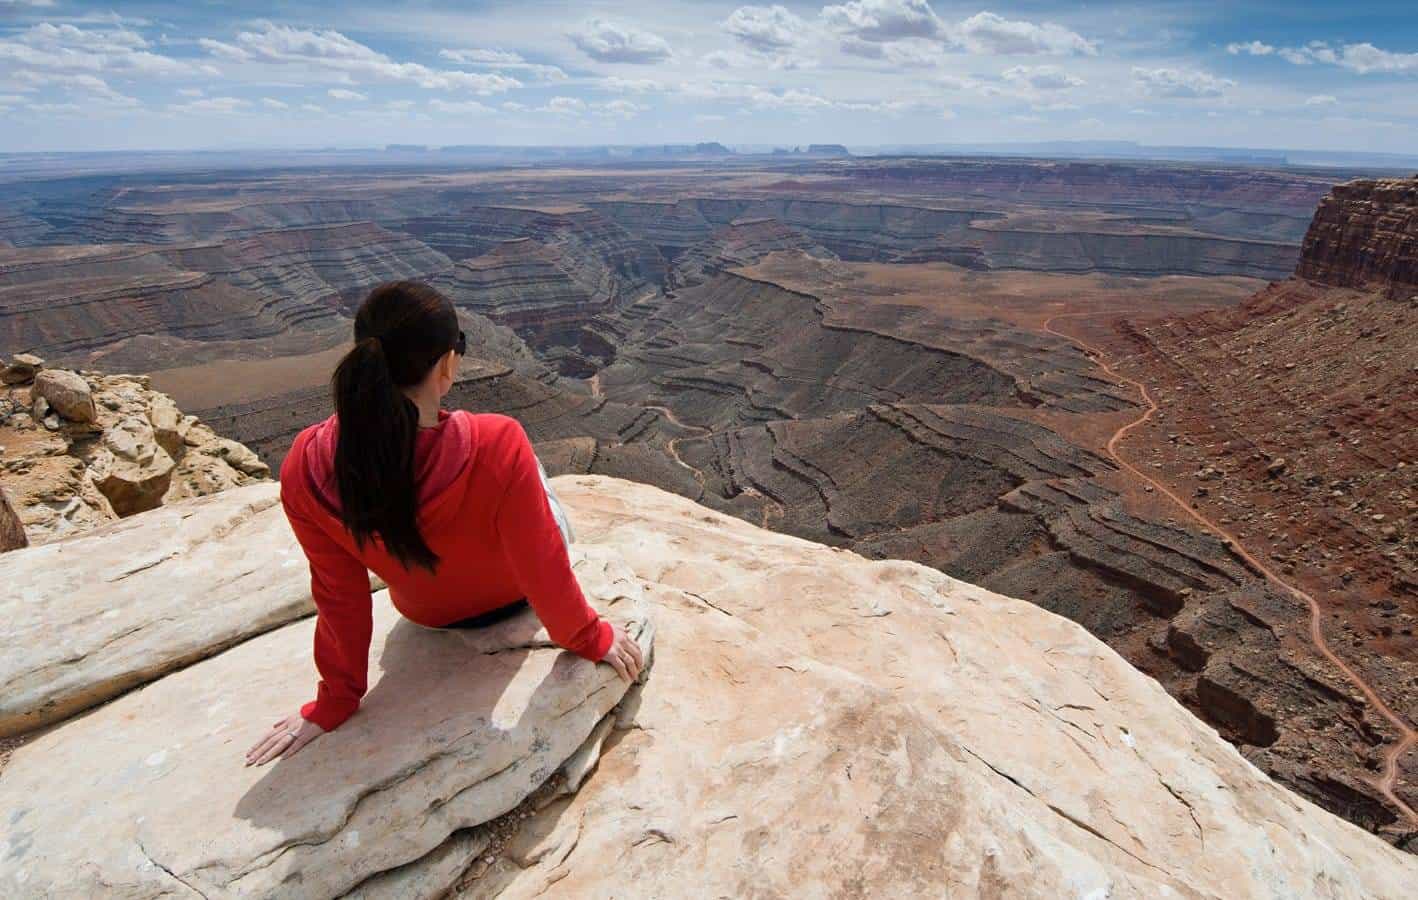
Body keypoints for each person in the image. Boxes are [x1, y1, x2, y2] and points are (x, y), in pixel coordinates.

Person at [246, 281, 642, 766]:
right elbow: (541, 562)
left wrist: (335, 701)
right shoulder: (498, 441)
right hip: (514, 598)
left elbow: (338, 594)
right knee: (531, 470)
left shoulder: (304, 468)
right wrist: (588, 636)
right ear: (447, 363)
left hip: (428, 615)